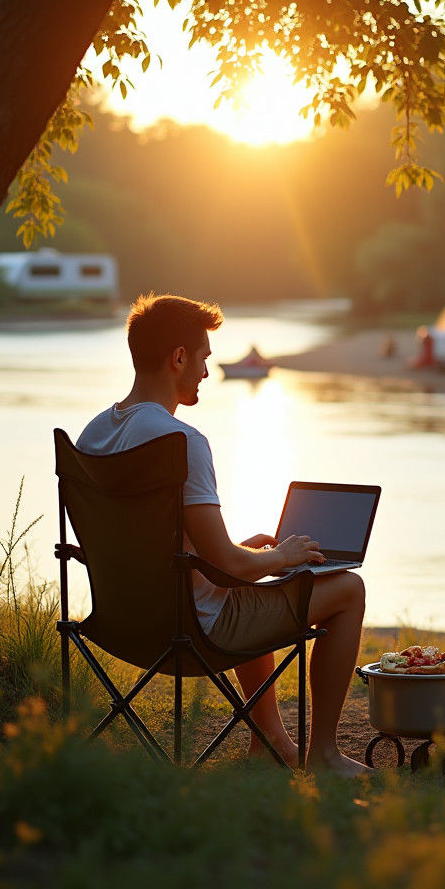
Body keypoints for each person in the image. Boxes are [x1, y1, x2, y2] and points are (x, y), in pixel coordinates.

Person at [76, 293, 367, 776]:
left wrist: (243, 553)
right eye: (204, 360)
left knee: (252, 575)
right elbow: (229, 569)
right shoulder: (182, 442)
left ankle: (270, 742)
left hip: (122, 622)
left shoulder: (92, 437)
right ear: (178, 358)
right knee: (349, 589)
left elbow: (155, 544)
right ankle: (325, 756)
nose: (207, 373)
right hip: (194, 629)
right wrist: (283, 554)